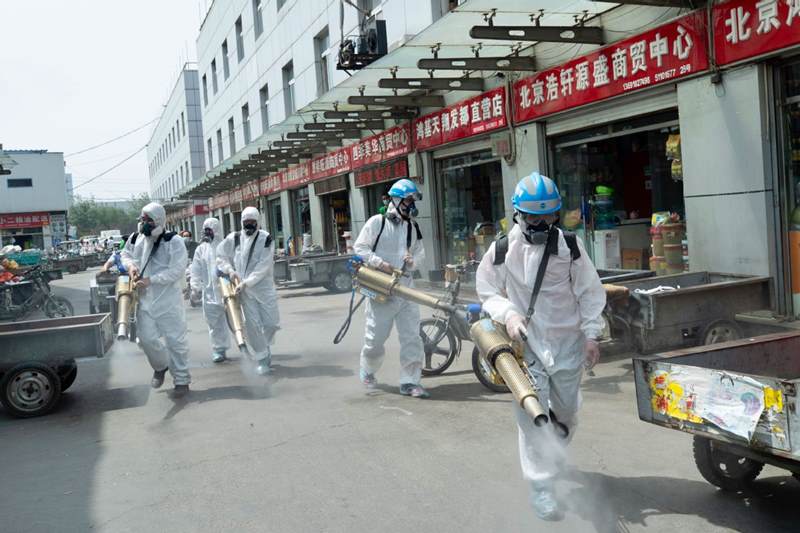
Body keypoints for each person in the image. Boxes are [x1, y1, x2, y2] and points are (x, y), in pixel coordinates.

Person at [475, 172, 606, 520]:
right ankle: (541, 485)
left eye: (548, 217)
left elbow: (590, 294)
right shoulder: (503, 249)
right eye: (533, 217)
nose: (541, 224)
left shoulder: (571, 247)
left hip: (567, 344)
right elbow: (487, 290)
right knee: (532, 414)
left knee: (565, 414)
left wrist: (592, 335)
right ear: (519, 214)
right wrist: (509, 315)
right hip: (527, 344)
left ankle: (552, 454)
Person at [353, 178, 428, 398]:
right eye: (407, 201)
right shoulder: (377, 223)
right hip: (380, 288)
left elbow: (421, 253)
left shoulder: (412, 226)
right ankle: (368, 369)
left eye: (413, 201)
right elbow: (360, 248)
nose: (411, 205)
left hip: (406, 289)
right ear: (395, 200)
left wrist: (413, 260)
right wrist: (379, 263)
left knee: (412, 337)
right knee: (375, 339)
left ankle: (410, 381)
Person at [121, 202, 192, 396]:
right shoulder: (136, 238)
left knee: (175, 341)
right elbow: (125, 254)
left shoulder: (173, 241)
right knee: (145, 339)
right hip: (145, 300)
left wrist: (152, 280)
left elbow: (177, 270)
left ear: (159, 220)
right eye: (142, 219)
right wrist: (131, 266)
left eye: (148, 220)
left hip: (168, 300)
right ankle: (161, 366)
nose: (144, 223)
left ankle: (182, 381)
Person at [216, 207, 280, 376]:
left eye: (252, 222)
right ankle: (262, 358)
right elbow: (220, 255)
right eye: (246, 222)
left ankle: (264, 347)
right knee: (252, 325)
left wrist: (248, 282)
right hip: (243, 290)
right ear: (242, 222)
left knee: (271, 323)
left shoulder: (266, 239)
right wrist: (230, 271)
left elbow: (263, 266)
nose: (249, 225)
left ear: (258, 222)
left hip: (263, 288)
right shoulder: (234, 238)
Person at [190, 217, 230, 363]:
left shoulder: (226, 246)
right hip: (210, 294)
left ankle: (249, 346)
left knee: (238, 320)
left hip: (228, 290)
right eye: (205, 230)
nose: (206, 233)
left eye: (209, 230)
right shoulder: (201, 249)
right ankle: (219, 349)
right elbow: (195, 270)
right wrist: (195, 288)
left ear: (216, 231)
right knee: (214, 323)